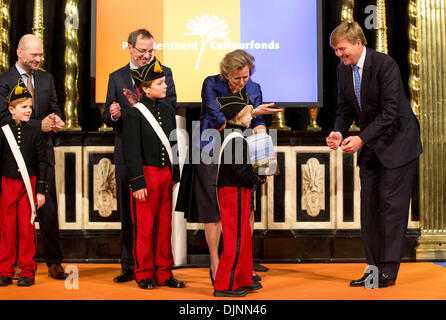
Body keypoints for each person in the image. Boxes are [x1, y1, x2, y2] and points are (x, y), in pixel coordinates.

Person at [326, 22, 422, 288]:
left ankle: (388, 271)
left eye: (342, 49)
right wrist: (337, 131)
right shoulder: (342, 70)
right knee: (369, 209)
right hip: (370, 144)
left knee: (391, 208)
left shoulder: (385, 65)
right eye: (335, 50)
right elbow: (344, 108)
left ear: (359, 43)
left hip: (398, 144)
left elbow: (391, 112)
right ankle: (373, 270)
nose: (339, 55)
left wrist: (362, 138)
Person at [177, 49, 281, 284]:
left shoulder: (253, 88)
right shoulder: (211, 84)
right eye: (237, 78)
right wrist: (252, 113)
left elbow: (258, 121)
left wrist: (261, 127)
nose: (242, 82)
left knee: (247, 206)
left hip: (242, 151)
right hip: (210, 149)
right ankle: (215, 262)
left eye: (246, 77)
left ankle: (243, 262)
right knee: (212, 209)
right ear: (226, 74)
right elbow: (218, 117)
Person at [102, 29, 177, 283]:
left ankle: (162, 270)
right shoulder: (116, 77)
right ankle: (130, 266)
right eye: (142, 51)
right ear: (130, 48)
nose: (147, 55)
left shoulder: (163, 73)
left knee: (161, 223)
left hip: (159, 158)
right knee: (132, 216)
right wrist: (113, 113)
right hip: (131, 157)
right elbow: (107, 115)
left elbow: (170, 107)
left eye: (151, 51)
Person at [0, 34, 67, 280]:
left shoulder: (47, 78)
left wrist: (57, 119)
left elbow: (55, 107)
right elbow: (3, 119)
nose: (39, 59)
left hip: (42, 156)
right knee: (10, 220)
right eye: (34, 55)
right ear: (19, 52)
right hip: (14, 159)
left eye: (41, 55)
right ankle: (11, 266)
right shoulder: (4, 80)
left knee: (48, 212)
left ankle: (54, 262)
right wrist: (40, 125)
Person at [122, 57, 184, 290]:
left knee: (164, 227)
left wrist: (175, 174)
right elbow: (131, 151)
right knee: (145, 228)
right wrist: (137, 182)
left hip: (165, 176)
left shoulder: (167, 110)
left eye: (164, 81)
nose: (165, 85)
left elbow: (174, 144)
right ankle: (144, 273)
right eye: (159, 83)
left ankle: (164, 272)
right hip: (145, 177)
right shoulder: (134, 114)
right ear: (145, 88)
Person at [213, 90, 267, 297]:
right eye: (249, 114)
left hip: (238, 190)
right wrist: (260, 177)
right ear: (238, 116)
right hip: (232, 191)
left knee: (243, 235)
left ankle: (243, 278)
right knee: (235, 239)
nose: (251, 117)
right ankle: (224, 285)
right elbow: (242, 171)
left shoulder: (235, 134)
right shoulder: (235, 138)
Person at [0, 79, 47, 287]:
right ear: (11, 109)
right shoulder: (3, 132)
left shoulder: (35, 133)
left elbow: (42, 162)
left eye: (30, 107)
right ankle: (5, 270)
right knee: (6, 229)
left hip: (29, 185)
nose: (28, 111)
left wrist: (41, 190)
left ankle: (27, 270)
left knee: (27, 229)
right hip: (7, 184)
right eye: (23, 107)